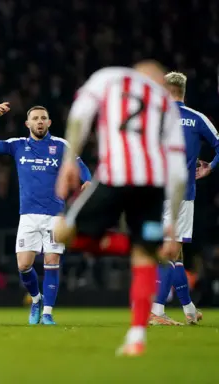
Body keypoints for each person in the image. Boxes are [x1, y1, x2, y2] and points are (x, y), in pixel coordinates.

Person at [52, 61, 188, 356]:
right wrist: (172, 224)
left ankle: (137, 334)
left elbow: (79, 115)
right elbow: (178, 170)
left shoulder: (109, 77)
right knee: (144, 256)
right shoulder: (165, 102)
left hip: (114, 176)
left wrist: (68, 161)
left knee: (61, 231)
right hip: (152, 185)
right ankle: (136, 336)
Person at [0, 104, 92, 325]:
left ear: (49, 122)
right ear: (28, 124)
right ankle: (36, 299)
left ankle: (48, 313)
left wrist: (87, 179)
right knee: (23, 265)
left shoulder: (61, 145)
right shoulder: (18, 145)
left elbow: (81, 166)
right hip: (28, 216)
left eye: (43, 118)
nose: (40, 121)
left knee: (52, 260)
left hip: (55, 215)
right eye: (35, 118)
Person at [150, 72, 218, 325]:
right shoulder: (196, 118)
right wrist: (210, 166)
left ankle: (189, 309)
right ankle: (156, 311)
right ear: (184, 91)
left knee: (173, 253)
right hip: (182, 195)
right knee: (170, 251)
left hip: (155, 192)